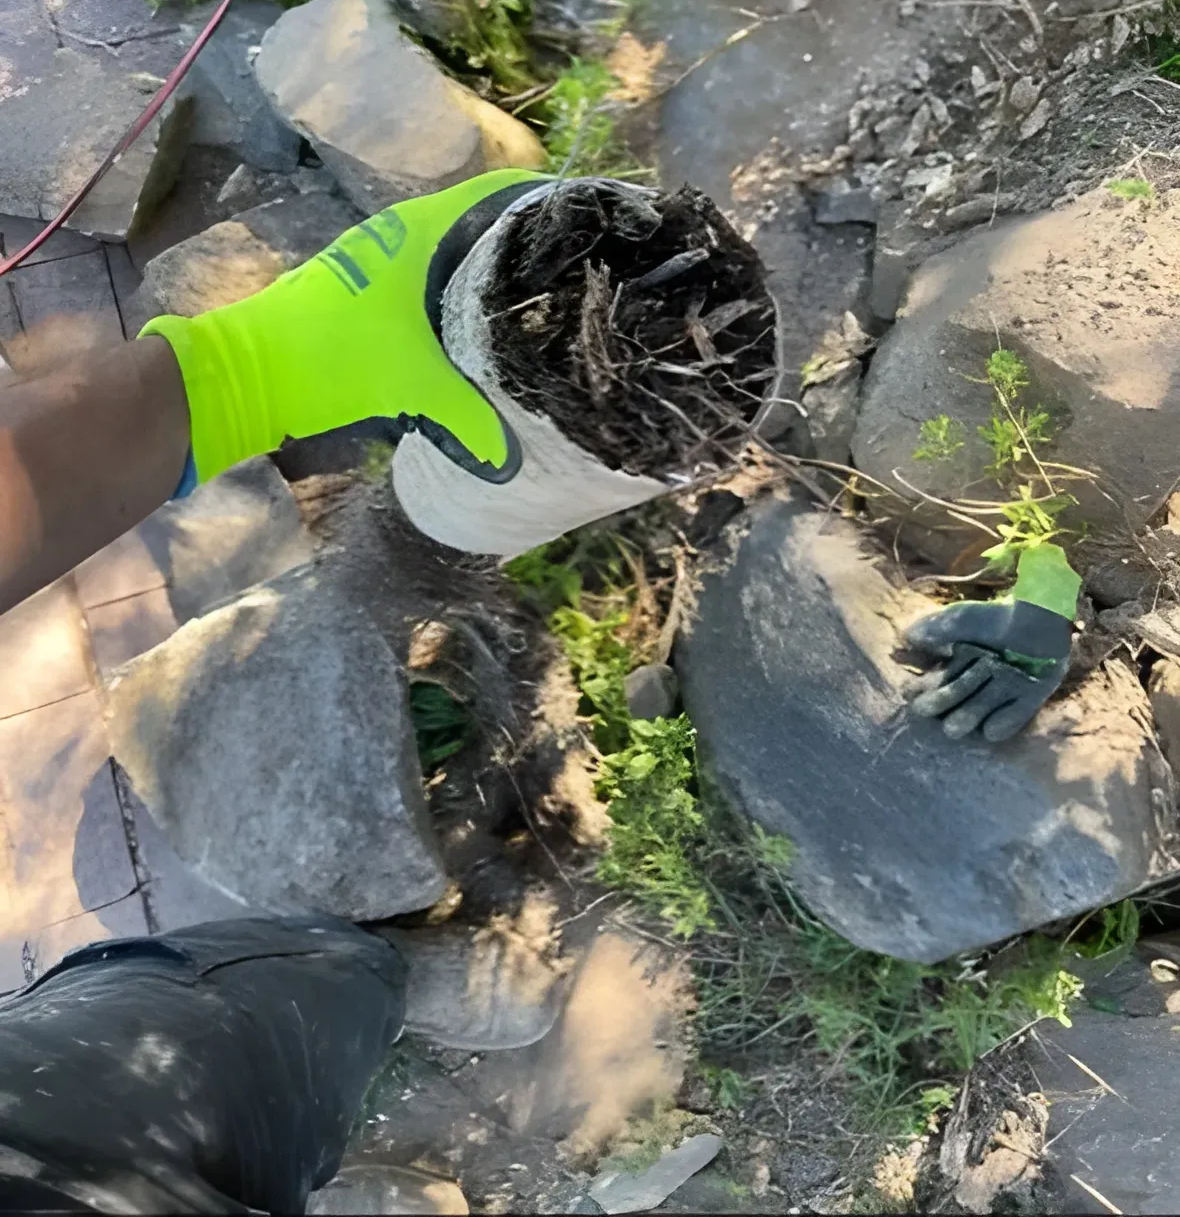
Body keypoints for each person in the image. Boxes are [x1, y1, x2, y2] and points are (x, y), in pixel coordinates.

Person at [0, 169, 1082, 1211]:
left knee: (271, 1006)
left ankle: (345, 982)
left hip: (52, 1104)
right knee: (279, 1010)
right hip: (81, 1129)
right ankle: (346, 981)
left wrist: (226, 375)